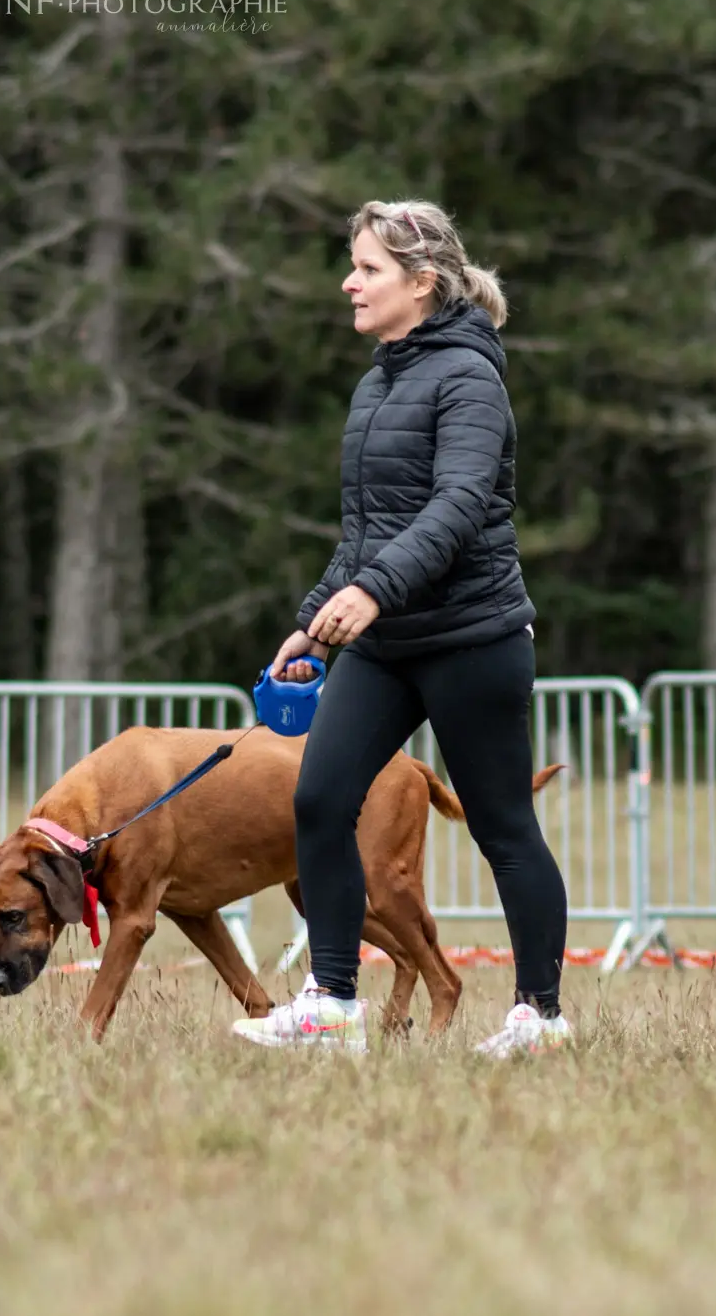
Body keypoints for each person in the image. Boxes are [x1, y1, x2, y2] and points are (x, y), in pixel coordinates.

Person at [229, 199, 571, 1059]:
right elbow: (367, 528)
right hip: (385, 643)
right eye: (354, 266)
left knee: (502, 828)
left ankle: (541, 1018)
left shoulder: (469, 378)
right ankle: (333, 1007)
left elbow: (456, 508)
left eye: (369, 269)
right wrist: (315, 619)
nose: (350, 281)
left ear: (422, 284)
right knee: (317, 798)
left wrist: (373, 594)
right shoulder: (378, 377)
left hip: (472, 638)